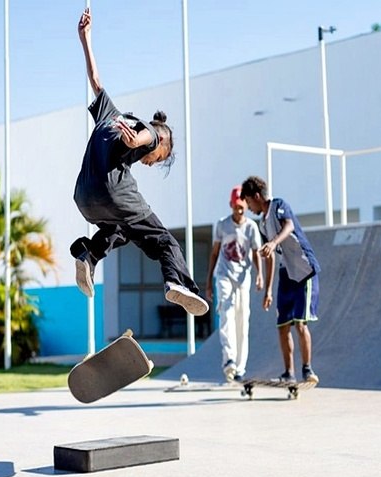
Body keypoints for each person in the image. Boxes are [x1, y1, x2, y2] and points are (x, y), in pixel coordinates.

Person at [70, 8, 208, 317]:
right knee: (166, 242)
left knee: (119, 229)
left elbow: (95, 79)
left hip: (83, 197)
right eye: (157, 161)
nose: (150, 163)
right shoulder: (151, 132)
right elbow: (151, 134)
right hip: (114, 192)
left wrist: (85, 39)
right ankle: (177, 282)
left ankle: (88, 254)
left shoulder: (109, 112)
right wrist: (139, 142)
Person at [240, 176, 320, 383]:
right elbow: (270, 256)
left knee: (300, 324)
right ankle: (289, 373)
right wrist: (268, 290)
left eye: (248, 202)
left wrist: (274, 242)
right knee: (283, 325)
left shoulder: (278, 205)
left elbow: (289, 226)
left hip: (303, 270)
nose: (248, 207)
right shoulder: (263, 224)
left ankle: (308, 370)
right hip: (286, 274)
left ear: (256, 196)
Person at [206, 186, 263, 382]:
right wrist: (208, 283)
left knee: (242, 321)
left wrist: (260, 275)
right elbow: (214, 253)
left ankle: (240, 368)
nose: (239, 210)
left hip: (243, 279)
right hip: (224, 275)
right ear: (231, 205)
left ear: (246, 206)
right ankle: (228, 359)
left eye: (242, 207)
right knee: (226, 315)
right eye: (236, 207)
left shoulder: (251, 228)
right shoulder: (222, 225)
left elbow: (256, 252)